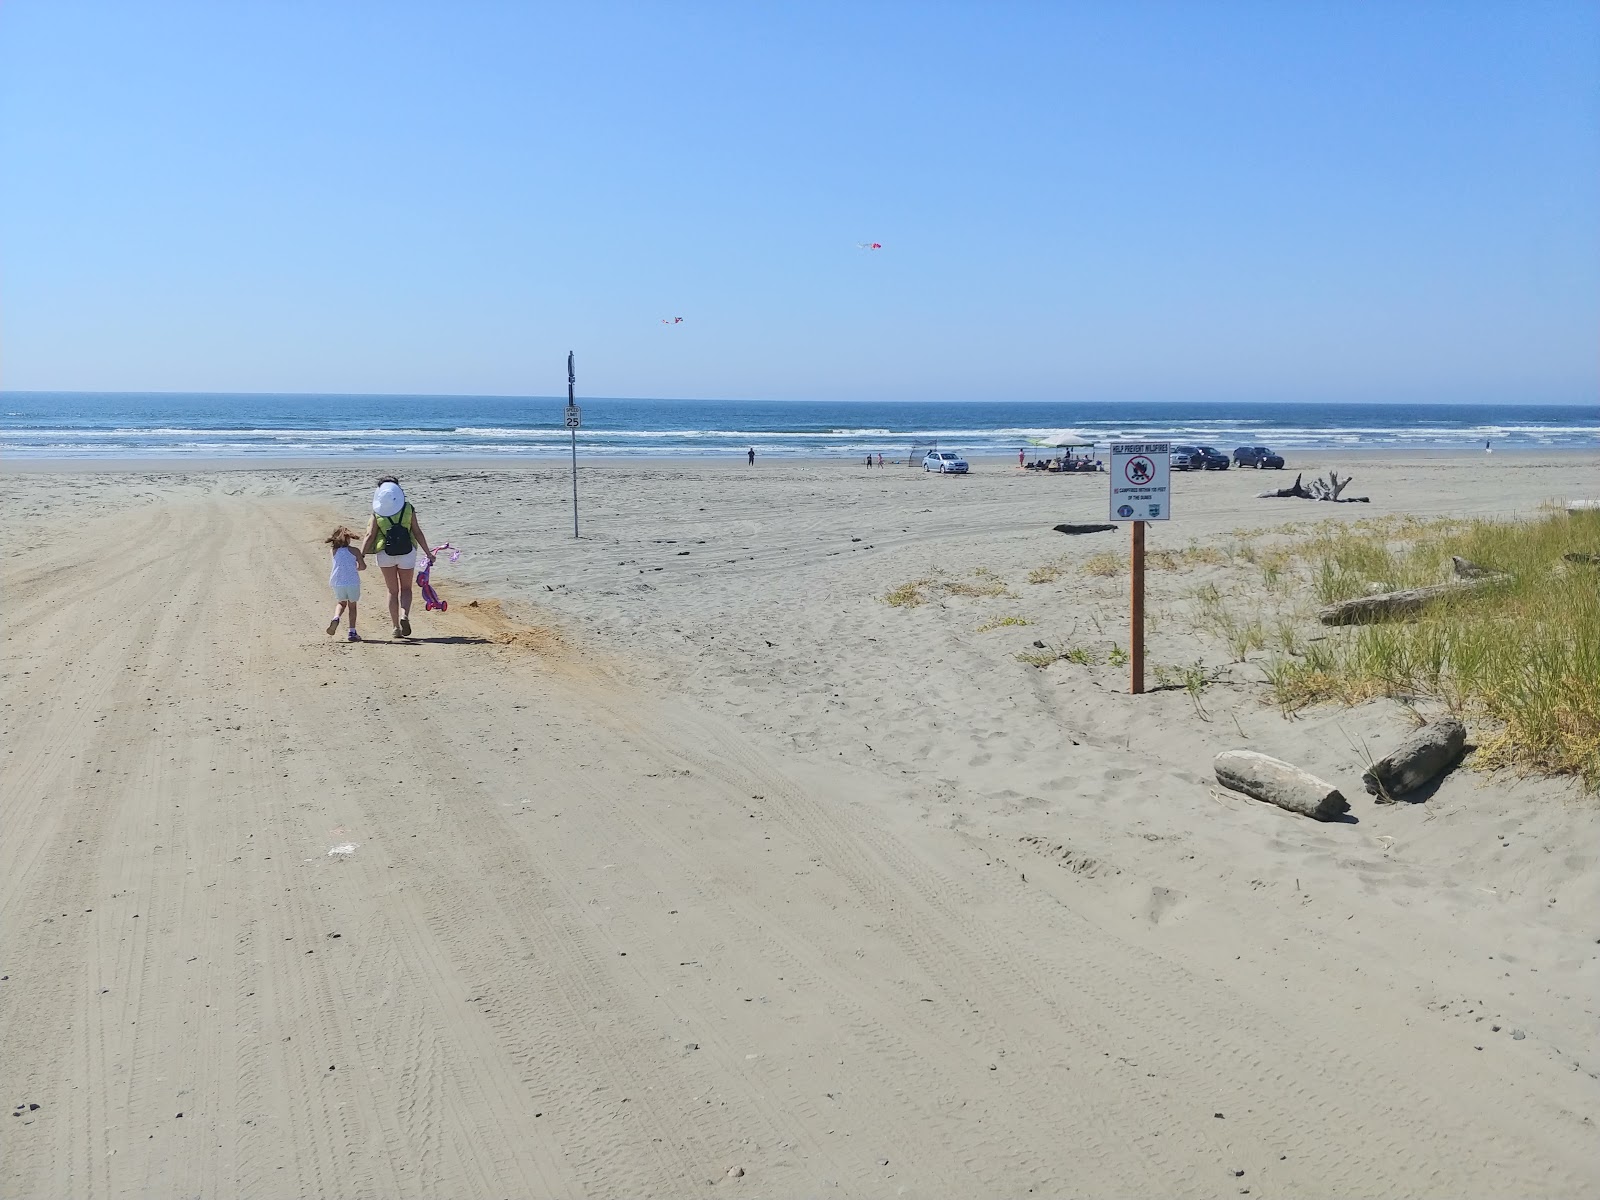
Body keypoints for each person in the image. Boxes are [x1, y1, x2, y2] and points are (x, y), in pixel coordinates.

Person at [361, 477, 436, 640]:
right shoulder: (408, 508)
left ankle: (395, 627)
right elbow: (417, 531)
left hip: (385, 553)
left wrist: (361, 556)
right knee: (406, 589)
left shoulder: (378, 511)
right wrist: (428, 553)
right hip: (407, 552)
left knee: (392, 591)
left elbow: (370, 535)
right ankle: (404, 615)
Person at [324, 526, 366, 642]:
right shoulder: (355, 551)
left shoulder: (333, 551)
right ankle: (352, 632)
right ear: (348, 538)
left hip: (337, 582)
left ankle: (336, 617)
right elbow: (362, 567)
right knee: (352, 607)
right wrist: (356, 567)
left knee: (341, 603)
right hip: (352, 582)